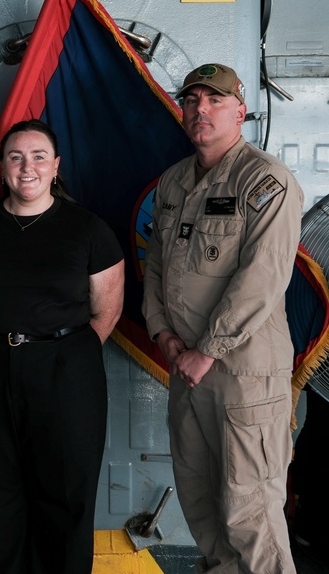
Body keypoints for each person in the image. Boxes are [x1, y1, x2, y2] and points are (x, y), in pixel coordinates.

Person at [143, 62, 302, 574]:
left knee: (249, 511)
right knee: (203, 507)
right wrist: (162, 334)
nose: (201, 109)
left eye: (214, 100)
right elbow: (155, 266)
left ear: (240, 109)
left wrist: (206, 351)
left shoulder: (265, 180)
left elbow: (263, 278)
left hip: (242, 375)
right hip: (186, 372)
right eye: (191, 100)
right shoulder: (174, 181)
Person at [0, 119, 124, 574]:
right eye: (15, 157)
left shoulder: (88, 228)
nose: (27, 167)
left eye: (38, 156)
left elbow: (105, 312)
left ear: (56, 167)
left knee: (66, 496)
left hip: (66, 371)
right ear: (3, 166)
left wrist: (58, 355)